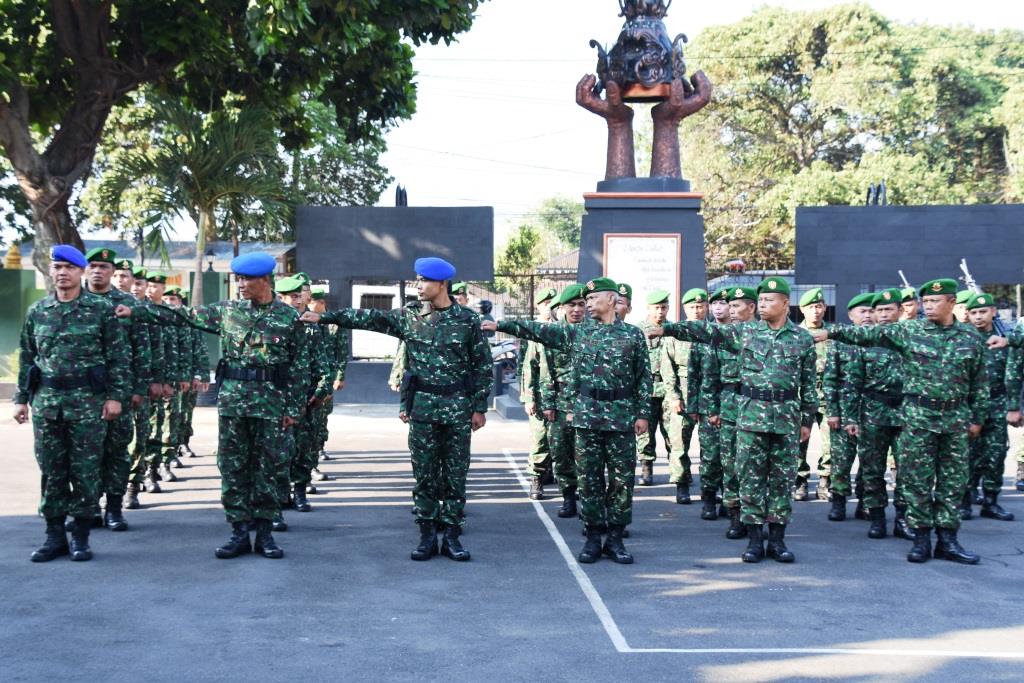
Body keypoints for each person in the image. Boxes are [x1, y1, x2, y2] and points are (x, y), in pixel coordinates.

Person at [117, 253, 310, 559]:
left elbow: (299, 367)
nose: (241, 284)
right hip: (233, 404)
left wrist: (294, 408)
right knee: (232, 468)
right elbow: (181, 315)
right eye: (238, 279)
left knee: (269, 469)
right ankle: (238, 532)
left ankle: (264, 534)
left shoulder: (288, 317)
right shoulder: (227, 311)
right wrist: (137, 310)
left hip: (272, 405)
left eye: (247, 279)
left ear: (265, 280)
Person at [302, 257, 492, 562]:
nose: (418, 285)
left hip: (457, 409)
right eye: (417, 279)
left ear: (441, 284)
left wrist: (479, 407)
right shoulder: (410, 316)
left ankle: (452, 536)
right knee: (424, 475)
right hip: (423, 409)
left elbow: (482, 366)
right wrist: (325, 318)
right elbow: (367, 317)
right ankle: (427, 536)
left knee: (455, 475)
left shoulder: (467, 320)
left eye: (424, 280)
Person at [811, 278, 989, 564]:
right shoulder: (910, 331)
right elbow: (868, 334)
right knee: (917, 481)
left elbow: (979, 384)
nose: (929, 306)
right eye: (926, 302)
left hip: (955, 419)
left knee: (953, 482)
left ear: (952, 302)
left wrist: (977, 419)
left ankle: (948, 540)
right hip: (918, 419)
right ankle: (921, 539)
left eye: (935, 301)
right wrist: (829, 332)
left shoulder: (970, 337)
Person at [486, 277, 651, 565]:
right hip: (587, 417)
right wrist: (501, 325)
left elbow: (643, 377)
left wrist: (643, 414)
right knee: (589, 479)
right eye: (586, 300)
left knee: (622, 481)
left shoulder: (633, 335)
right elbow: (538, 330)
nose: (588, 304)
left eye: (593, 298)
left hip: (621, 417)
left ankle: (615, 539)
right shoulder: (577, 332)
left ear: (611, 300)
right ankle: (592, 538)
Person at [654, 276, 817, 564]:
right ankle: (754, 540)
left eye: (769, 300)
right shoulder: (745, 332)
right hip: (751, 417)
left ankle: (777, 540)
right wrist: (667, 328)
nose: (763, 304)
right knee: (751, 479)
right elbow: (706, 331)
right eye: (761, 300)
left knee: (782, 481)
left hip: (786, 419)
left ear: (785, 303)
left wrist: (806, 420)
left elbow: (809, 383)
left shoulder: (802, 338)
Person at [14, 245, 130, 562]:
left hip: (88, 404)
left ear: (80, 272)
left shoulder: (100, 310)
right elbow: (27, 357)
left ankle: (80, 536)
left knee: (85, 471)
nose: (62, 273)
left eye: (69, 267)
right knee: (52, 472)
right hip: (47, 403)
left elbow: (118, 358)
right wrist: (21, 399)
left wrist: (115, 397)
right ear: (51, 272)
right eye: (57, 267)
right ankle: (54, 537)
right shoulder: (38, 311)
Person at [81, 247, 152, 532]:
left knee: (117, 451)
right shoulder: (76, 300)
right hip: (83, 394)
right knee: (85, 453)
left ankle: (113, 508)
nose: (98, 271)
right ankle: (89, 507)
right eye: (93, 266)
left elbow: (142, 348)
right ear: (86, 269)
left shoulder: (127, 303)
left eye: (103, 267)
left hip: (119, 389)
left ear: (112, 272)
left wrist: (139, 388)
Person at [846, 289, 911, 539]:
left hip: (906, 412)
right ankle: (877, 517)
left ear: (900, 310)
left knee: (907, 468)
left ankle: (903, 518)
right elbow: (853, 382)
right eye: (879, 310)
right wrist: (851, 417)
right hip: (873, 412)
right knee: (872, 468)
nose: (883, 314)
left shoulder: (911, 338)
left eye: (888, 309)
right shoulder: (865, 341)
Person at [274, 276, 332, 528]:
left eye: (300, 295)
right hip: (278, 398)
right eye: (292, 296)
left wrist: (321, 389)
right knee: (279, 448)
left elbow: (322, 362)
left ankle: (299, 490)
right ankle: (281, 493)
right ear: (282, 298)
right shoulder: (273, 325)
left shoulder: (311, 326)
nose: (298, 300)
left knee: (305, 445)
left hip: (305, 397)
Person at [538, 284, 588, 518]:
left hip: (588, 404)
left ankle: (588, 500)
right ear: (563, 307)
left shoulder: (594, 331)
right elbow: (546, 370)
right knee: (561, 452)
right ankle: (568, 496)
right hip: (560, 402)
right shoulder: (554, 332)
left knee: (587, 455)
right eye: (571, 305)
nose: (576, 310)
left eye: (581, 305)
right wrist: (548, 403)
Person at [964, 292, 1014, 521]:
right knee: (966, 455)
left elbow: (1013, 374)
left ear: (993, 312)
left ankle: (991, 502)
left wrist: (1014, 406)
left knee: (996, 454)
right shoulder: (963, 339)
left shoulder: (1006, 339)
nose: (978, 317)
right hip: (969, 405)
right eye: (973, 312)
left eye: (983, 311)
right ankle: (964, 501)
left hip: (997, 403)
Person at [823, 292, 873, 523]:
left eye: (871, 311)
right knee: (841, 459)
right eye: (863, 311)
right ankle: (839, 500)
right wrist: (832, 411)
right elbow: (830, 379)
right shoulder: (839, 342)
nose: (868, 316)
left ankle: (866, 502)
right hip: (844, 411)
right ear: (851, 315)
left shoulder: (882, 340)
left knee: (870, 460)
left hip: (873, 411)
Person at [715, 286, 758, 539]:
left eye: (735, 306)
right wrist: (712, 409)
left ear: (751, 307)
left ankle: (755, 517)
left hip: (757, 406)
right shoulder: (723, 335)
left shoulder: (765, 334)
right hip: (730, 405)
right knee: (730, 464)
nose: (730, 310)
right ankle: (735, 516)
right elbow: (711, 375)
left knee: (755, 466)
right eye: (729, 306)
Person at [795, 287, 832, 502]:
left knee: (830, 444)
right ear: (802, 309)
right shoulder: (796, 335)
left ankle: (825, 479)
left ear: (824, 308)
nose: (815, 311)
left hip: (827, 397)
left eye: (819, 306)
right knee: (799, 441)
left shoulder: (832, 335)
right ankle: (800, 479)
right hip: (803, 397)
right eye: (810, 307)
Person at [637, 290, 675, 491]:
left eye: (664, 307)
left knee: (672, 432)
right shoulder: (638, 330)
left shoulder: (673, 329)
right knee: (646, 432)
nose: (660, 312)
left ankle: (676, 470)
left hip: (669, 389)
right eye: (656, 308)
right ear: (648, 308)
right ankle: (646, 469)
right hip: (648, 388)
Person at [309, 285, 349, 469]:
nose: (309, 305)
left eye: (312, 302)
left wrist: (339, 376)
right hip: (311, 375)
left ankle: (319, 446)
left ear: (321, 303)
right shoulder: (307, 322)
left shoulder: (333, 324)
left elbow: (342, 352)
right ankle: (313, 448)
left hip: (328, 375)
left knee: (323, 412)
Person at [524, 287, 557, 500]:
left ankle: (553, 473)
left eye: (552, 304)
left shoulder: (563, 329)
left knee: (561, 439)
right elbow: (528, 366)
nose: (549, 308)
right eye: (545, 304)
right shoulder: (534, 330)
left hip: (560, 395)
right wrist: (529, 397)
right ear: (538, 306)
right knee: (540, 439)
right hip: (540, 393)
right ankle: (536, 477)